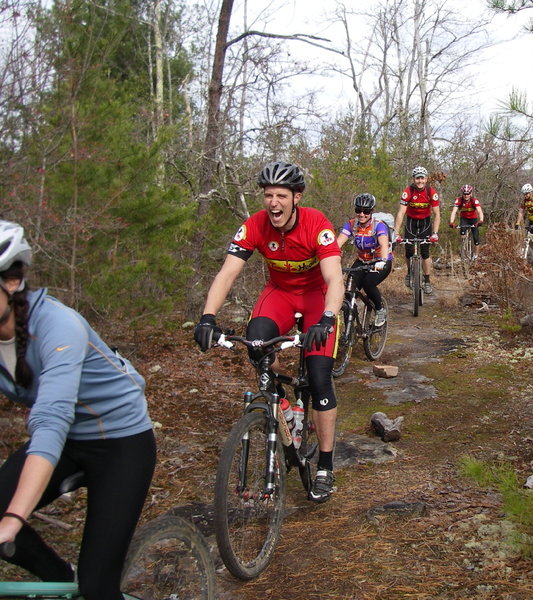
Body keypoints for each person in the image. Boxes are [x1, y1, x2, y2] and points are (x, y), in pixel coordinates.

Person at [0, 221, 156, 599]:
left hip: (121, 442)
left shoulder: (57, 325)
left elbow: (51, 422)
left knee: (98, 586)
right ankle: (58, 578)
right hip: (67, 440)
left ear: (11, 282)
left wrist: (13, 520)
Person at [193, 161, 344, 504]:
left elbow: (335, 278)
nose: (273, 203)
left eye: (280, 195)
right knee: (256, 345)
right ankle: (286, 404)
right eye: (267, 195)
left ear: (296, 198)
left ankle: (325, 465)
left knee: (320, 376)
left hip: (317, 298)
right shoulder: (255, 225)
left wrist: (329, 317)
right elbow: (227, 273)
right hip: (278, 294)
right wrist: (207, 318)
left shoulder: (316, 224)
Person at [336, 193, 392, 327]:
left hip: (380, 261)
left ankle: (380, 310)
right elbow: (338, 243)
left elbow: (384, 244)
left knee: (368, 284)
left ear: (371, 211)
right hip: (362, 261)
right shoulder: (351, 225)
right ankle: (350, 327)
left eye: (365, 211)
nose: (361, 214)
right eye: (358, 210)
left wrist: (382, 261)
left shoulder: (379, 225)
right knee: (349, 291)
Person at [394, 166, 441, 294]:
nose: (420, 181)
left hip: (425, 223)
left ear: (426, 179)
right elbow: (400, 213)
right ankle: (409, 273)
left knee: (425, 252)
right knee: (408, 250)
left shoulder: (431, 192)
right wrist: (396, 233)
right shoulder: (408, 191)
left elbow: (437, 215)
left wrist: (435, 233)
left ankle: (427, 281)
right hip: (411, 222)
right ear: (414, 179)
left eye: (422, 178)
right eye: (417, 178)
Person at [448, 184, 484, 259]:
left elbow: (480, 211)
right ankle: (463, 248)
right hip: (464, 219)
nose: (466, 196)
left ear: (471, 193)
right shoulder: (459, 200)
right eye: (464, 194)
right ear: (462, 193)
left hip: (473, 219)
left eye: (468, 194)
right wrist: (451, 222)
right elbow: (454, 212)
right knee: (462, 233)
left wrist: (481, 220)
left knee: (476, 238)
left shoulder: (474, 200)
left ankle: (476, 255)